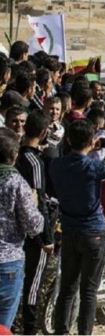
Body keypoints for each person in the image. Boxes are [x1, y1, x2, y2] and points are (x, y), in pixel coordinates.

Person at [48, 120, 105, 335]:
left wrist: (87, 147)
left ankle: (61, 331)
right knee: (88, 291)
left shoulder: (56, 165)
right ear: (91, 141)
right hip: (93, 232)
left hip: (69, 230)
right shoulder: (94, 166)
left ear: (68, 140)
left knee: (67, 289)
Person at [15, 111, 55, 335]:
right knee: (33, 282)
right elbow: (39, 201)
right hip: (34, 233)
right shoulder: (35, 162)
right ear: (44, 132)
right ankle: (29, 329)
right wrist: (46, 238)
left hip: (13, 230)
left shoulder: (14, 155)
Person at [0, 128, 43, 329]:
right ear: (14, 156)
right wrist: (34, 203)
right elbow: (34, 226)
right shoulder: (16, 182)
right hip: (8, 263)